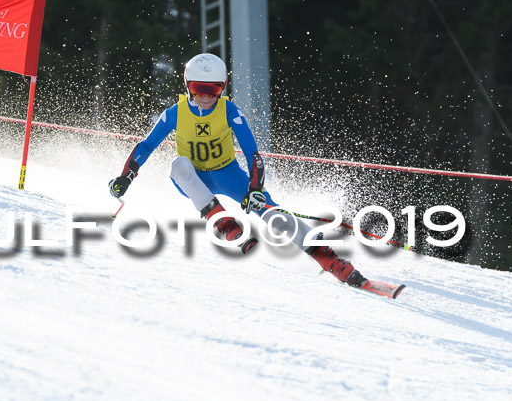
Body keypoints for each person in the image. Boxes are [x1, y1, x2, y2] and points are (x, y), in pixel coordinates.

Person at [108, 53, 366, 288]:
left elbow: (253, 153)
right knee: (178, 166)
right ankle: (226, 224)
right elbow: (146, 146)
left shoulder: (229, 110)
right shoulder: (174, 113)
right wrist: (125, 177)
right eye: (199, 89)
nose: (206, 97)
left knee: (271, 212)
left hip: (228, 174)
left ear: (223, 87)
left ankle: (327, 259)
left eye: (213, 89)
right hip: (194, 179)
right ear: (188, 86)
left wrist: (255, 189)